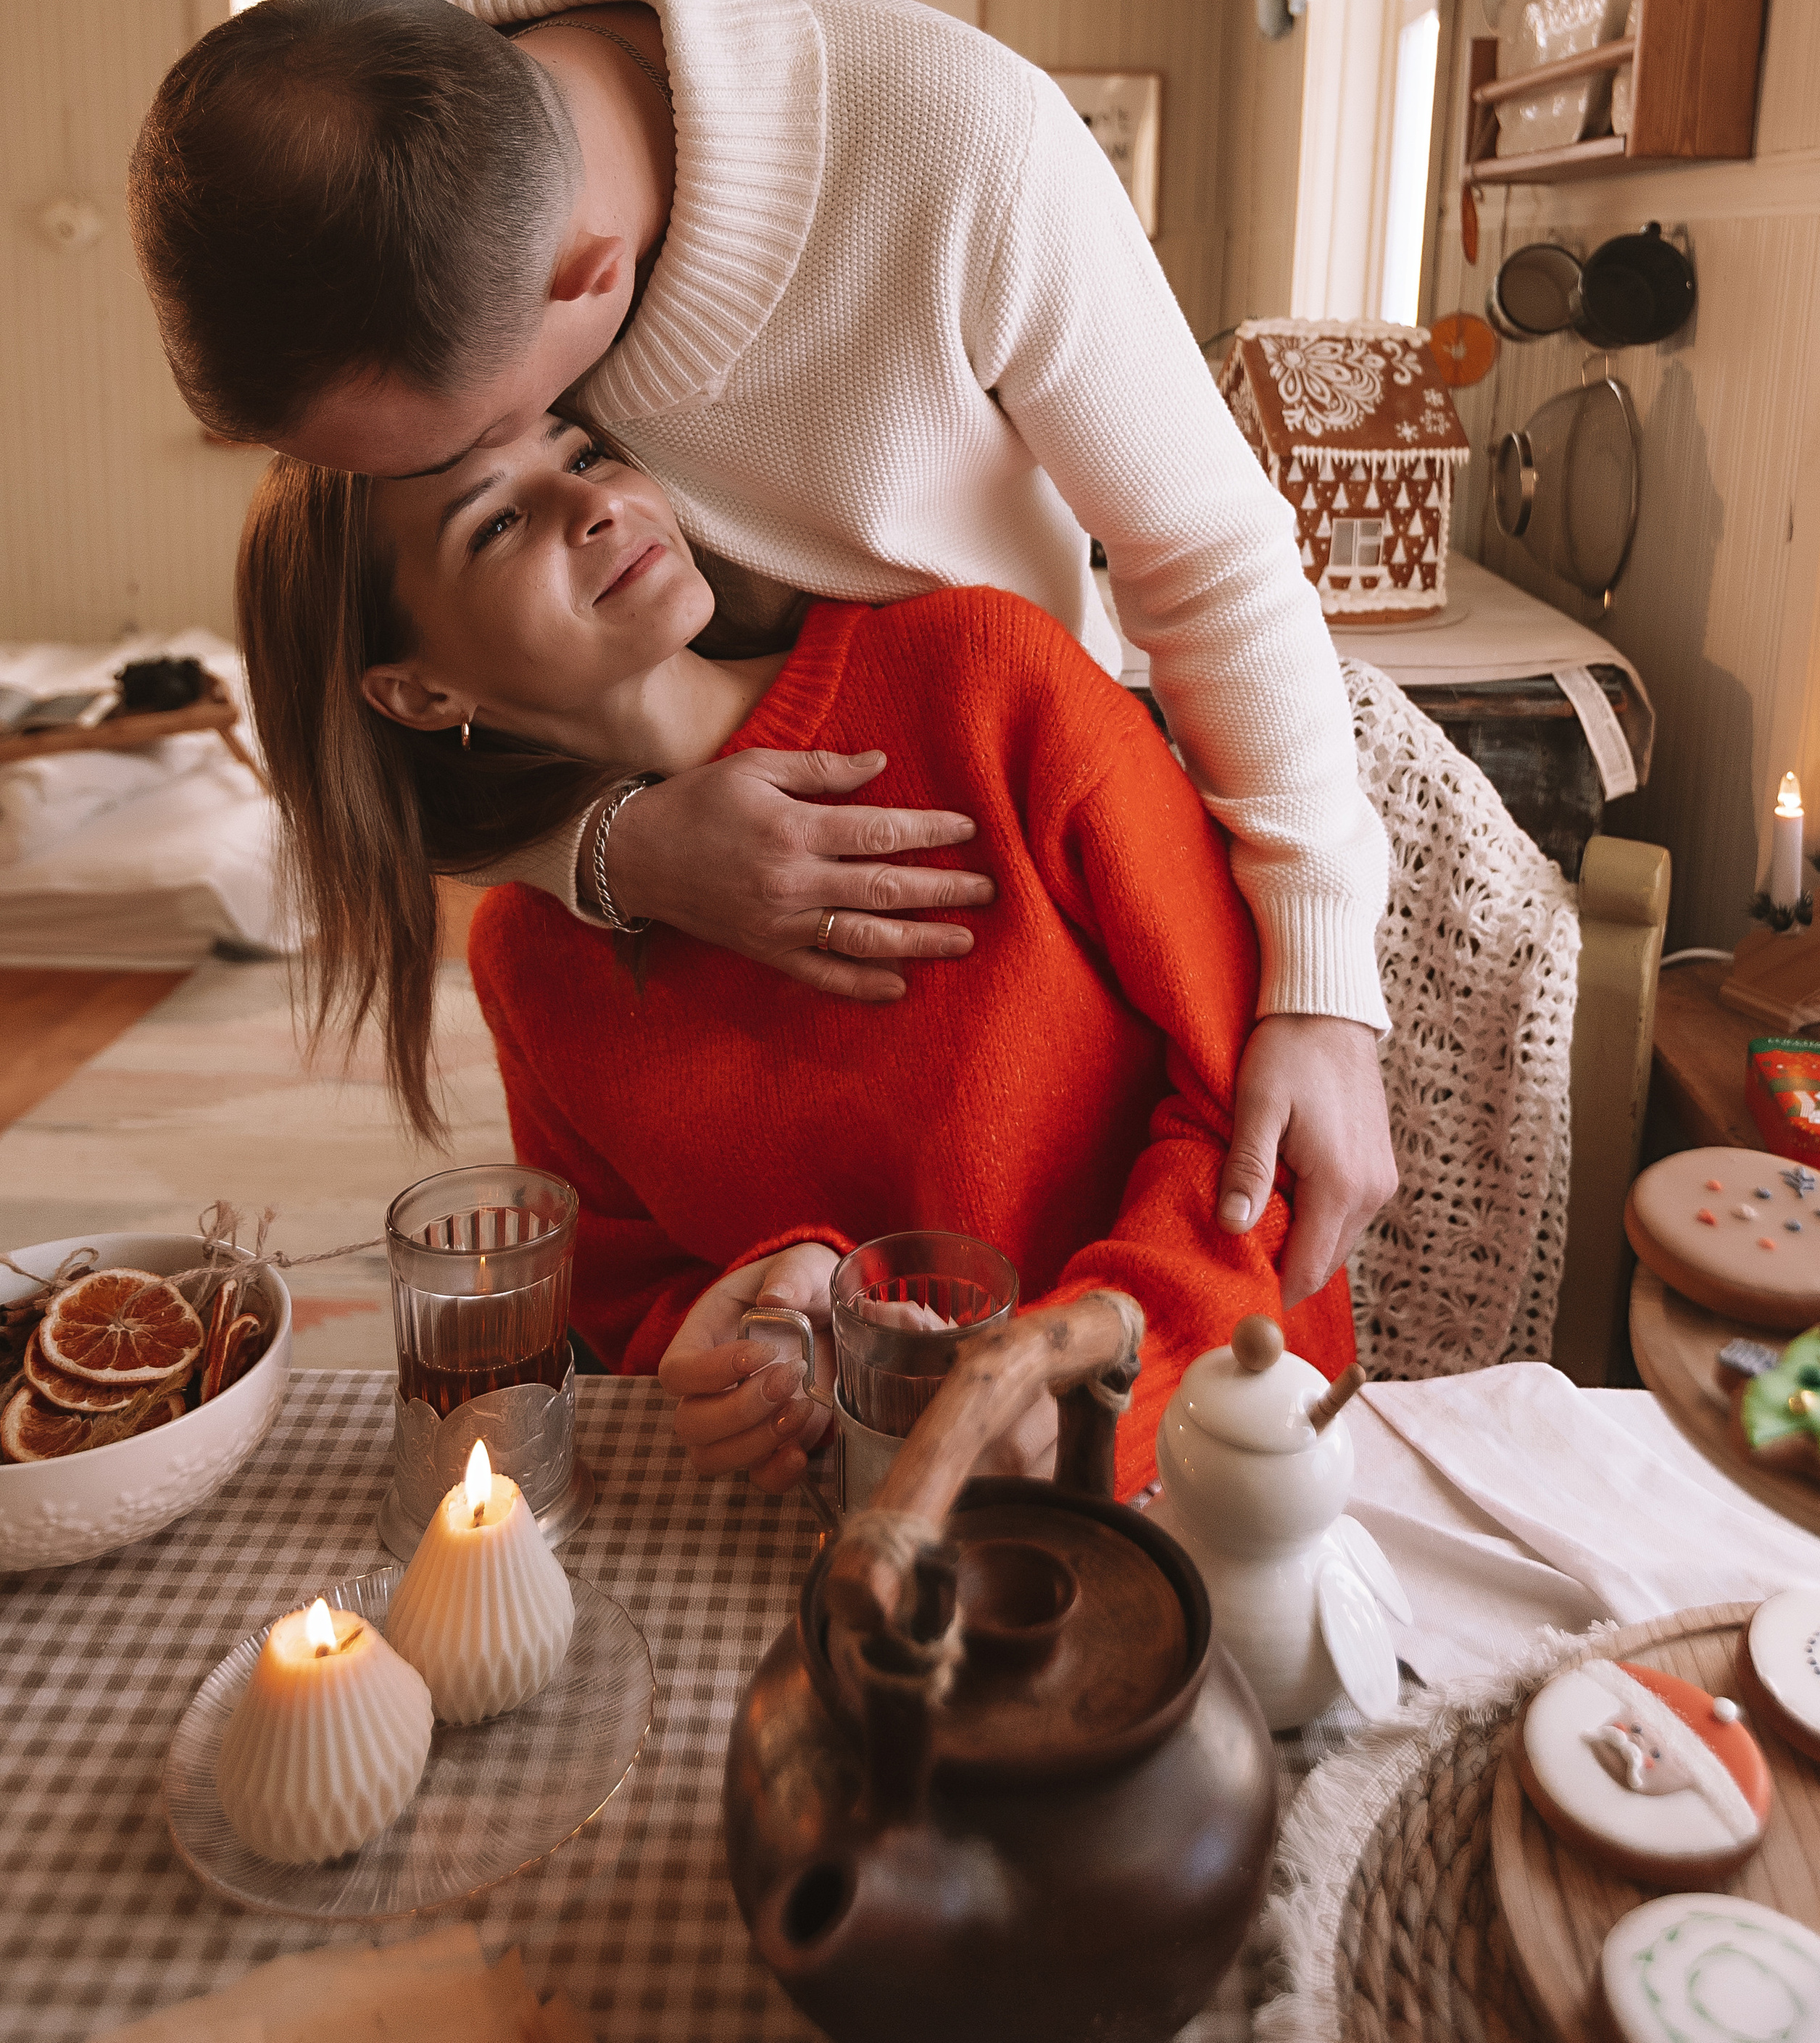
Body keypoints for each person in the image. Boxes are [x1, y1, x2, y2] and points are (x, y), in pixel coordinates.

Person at [130, 0, 1396, 1307]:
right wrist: (613, 854)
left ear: (590, 285)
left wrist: (1322, 986)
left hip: (1028, 857)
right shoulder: (385, 180)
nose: (593, 499)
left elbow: (1209, 557)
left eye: (517, 441)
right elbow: (369, 711)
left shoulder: (962, 146)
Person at [234, 420, 1355, 1499]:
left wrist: (1101, 1383)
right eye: (496, 524)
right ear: (423, 695)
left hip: (1225, 1463)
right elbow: (638, 1301)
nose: (596, 503)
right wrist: (764, 1342)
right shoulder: (530, 957)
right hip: (853, 1524)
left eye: (581, 451)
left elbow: (1258, 1131)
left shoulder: (982, 679)